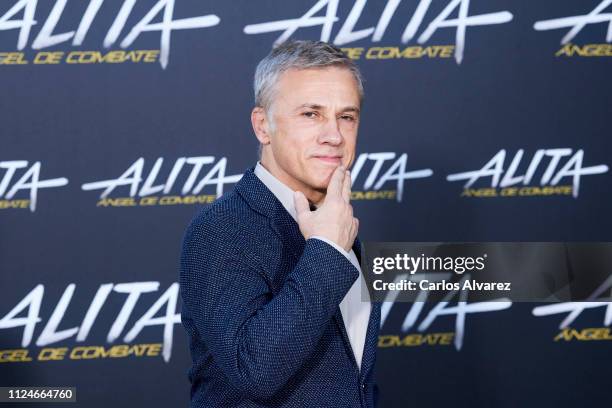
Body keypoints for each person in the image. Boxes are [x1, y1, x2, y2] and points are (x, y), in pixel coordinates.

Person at [180, 40, 381, 408]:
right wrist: (327, 252)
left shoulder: (336, 219)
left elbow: (353, 378)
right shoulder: (221, 228)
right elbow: (254, 369)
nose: (334, 135)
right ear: (262, 125)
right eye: (311, 114)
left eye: (346, 116)